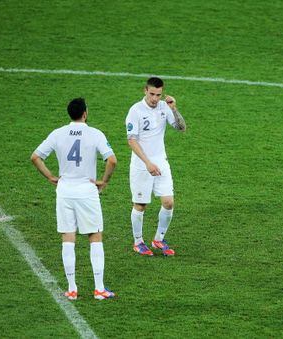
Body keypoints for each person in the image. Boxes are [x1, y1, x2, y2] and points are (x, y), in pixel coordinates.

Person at [31, 98, 117, 300]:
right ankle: (99, 289)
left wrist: (51, 177)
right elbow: (112, 160)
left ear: (70, 114)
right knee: (94, 237)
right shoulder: (95, 134)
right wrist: (104, 181)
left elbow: (35, 156)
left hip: (65, 191)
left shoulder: (58, 133)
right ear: (85, 113)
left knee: (68, 238)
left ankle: (72, 289)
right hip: (87, 191)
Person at [126, 77, 186, 256]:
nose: (154, 98)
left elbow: (181, 128)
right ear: (145, 90)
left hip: (161, 161)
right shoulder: (135, 111)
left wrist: (174, 109)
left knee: (168, 202)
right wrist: (147, 163)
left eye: (158, 95)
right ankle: (138, 242)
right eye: (152, 94)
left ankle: (158, 239)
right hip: (141, 164)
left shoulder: (163, 107)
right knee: (140, 204)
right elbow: (131, 140)